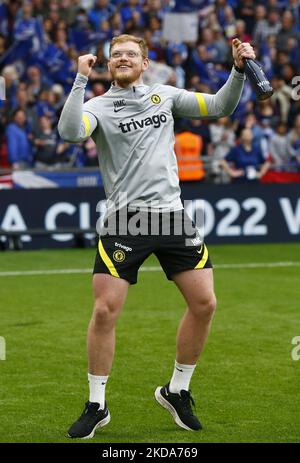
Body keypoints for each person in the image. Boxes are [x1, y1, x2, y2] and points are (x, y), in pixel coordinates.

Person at [58, 34, 255, 439]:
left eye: (131, 54)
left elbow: (220, 106)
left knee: (205, 303)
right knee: (103, 312)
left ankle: (176, 390)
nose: (122, 59)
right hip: (123, 220)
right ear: (108, 66)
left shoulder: (164, 95)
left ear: (145, 63)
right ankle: (96, 404)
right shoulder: (96, 106)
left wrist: (237, 69)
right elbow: (70, 133)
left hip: (171, 217)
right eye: (116, 55)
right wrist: (79, 80)